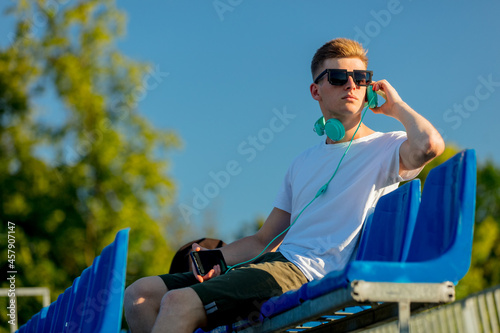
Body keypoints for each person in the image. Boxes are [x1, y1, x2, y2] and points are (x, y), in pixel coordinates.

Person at [123, 37, 445, 333]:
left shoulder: (387, 147)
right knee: (140, 294)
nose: (351, 84)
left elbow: (429, 145)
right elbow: (265, 239)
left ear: (370, 87)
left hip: (306, 273)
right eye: (337, 77)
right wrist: (217, 257)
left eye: (360, 78)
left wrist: (396, 107)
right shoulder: (302, 162)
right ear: (316, 90)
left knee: (178, 303)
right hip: (273, 264)